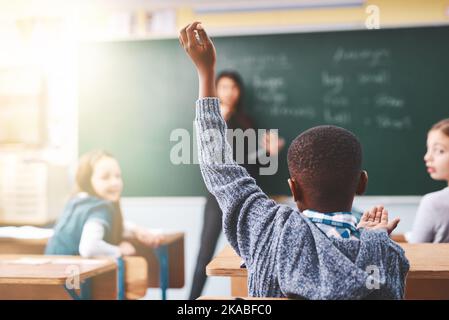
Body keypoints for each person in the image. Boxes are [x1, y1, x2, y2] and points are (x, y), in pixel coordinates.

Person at [179, 22, 409, 299]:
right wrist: (374, 240)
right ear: (361, 182)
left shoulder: (270, 230)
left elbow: (218, 165)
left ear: (293, 187)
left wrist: (206, 72)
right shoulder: (388, 257)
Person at [189, 70, 284, 299]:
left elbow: (252, 163)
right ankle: (190, 301)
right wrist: (218, 120)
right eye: (223, 87)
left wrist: (270, 153)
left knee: (251, 254)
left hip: (246, 196)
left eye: (233, 87)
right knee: (205, 251)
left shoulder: (248, 122)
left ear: (239, 91)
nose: (229, 92)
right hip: (217, 195)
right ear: (215, 91)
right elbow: (208, 154)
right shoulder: (211, 119)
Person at [45, 150, 164, 257]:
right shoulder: (100, 208)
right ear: (87, 181)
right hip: (72, 279)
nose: (115, 182)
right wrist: (119, 250)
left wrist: (136, 229)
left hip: (53, 274)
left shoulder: (75, 202)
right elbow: (89, 248)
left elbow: (102, 225)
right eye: (105, 177)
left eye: (118, 176)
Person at [408, 119, 449, 243]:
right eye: (429, 149)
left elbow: (413, 257)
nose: (427, 157)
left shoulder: (433, 203)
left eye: (439, 150)